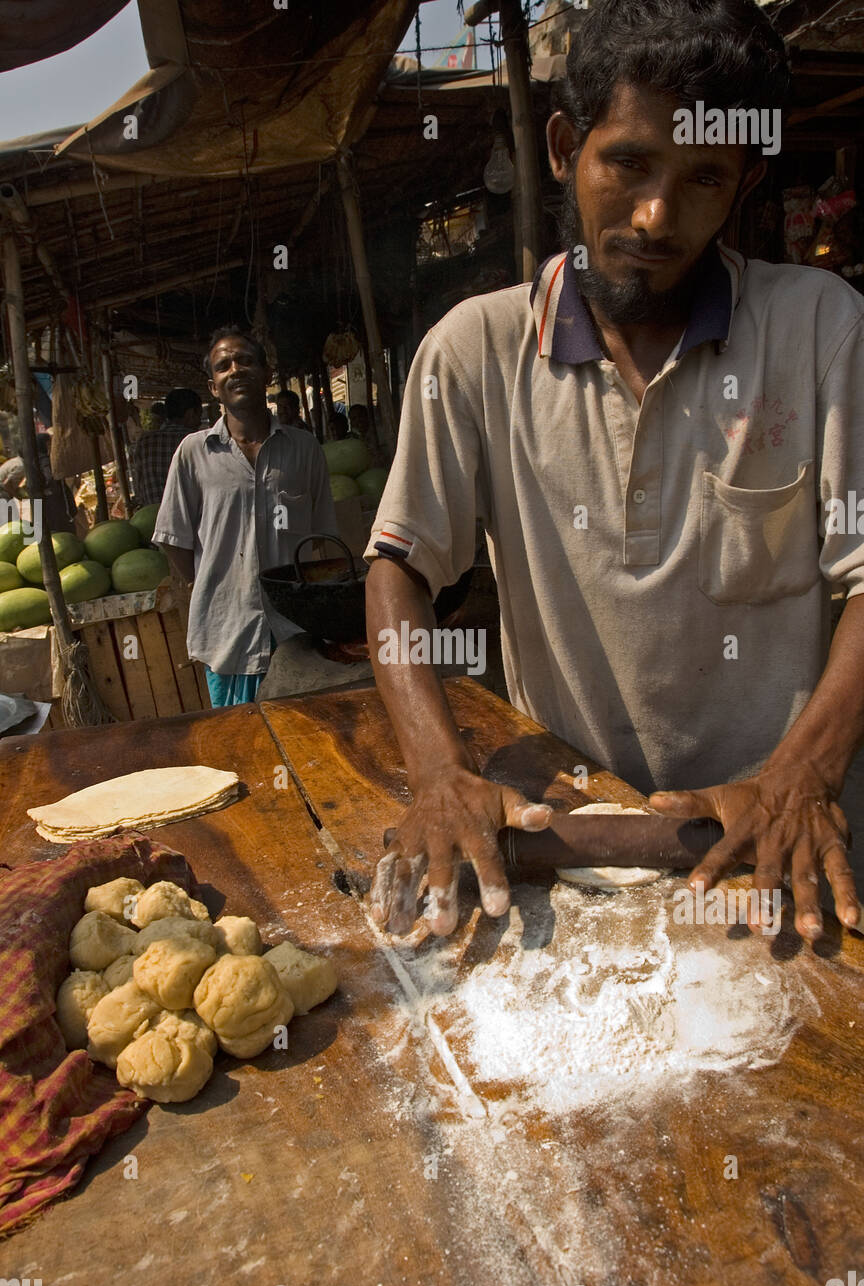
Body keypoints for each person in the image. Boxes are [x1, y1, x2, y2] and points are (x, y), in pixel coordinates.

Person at [365, 0, 864, 944]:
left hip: (776, 855)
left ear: (746, 183)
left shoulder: (820, 330)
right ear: (563, 148)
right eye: (628, 162)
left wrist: (803, 775)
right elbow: (398, 568)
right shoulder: (475, 351)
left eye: (703, 178)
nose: (655, 216)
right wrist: (438, 771)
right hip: (564, 845)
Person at [153, 326, 336, 707]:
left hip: (295, 631)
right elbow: (175, 539)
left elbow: (322, 538)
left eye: (246, 360)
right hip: (227, 634)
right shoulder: (194, 453)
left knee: (305, 743)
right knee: (240, 750)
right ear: (213, 386)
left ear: (266, 374)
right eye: (223, 366)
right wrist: (215, 581)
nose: (235, 369)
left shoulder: (303, 449)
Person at [131, 388, 202, 507]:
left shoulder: (144, 442)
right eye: (199, 415)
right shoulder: (196, 442)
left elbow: (139, 484)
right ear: (190, 414)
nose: (199, 422)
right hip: (192, 520)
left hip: (152, 519)